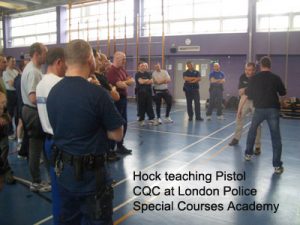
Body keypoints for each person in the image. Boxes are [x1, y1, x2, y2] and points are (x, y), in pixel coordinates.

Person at [47, 39, 124, 224]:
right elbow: (117, 134)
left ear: (66, 61)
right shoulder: (98, 94)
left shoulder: (54, 92)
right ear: (90, 59)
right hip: (92, 179)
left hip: (64, 174)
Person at [36, 47, 66, 225]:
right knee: (67, 189)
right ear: (59, 62)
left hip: (49, 140)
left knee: (56, 188)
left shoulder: (40, 84)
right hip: (61, 141)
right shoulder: (58, 84)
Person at [244, 56, 286, 174]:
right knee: (276, 137)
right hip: (273, 109)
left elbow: (249, 95)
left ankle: (248, 154)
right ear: (270, 65)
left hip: (259, 110)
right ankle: (277, 166)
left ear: (261, 65)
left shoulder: (254, 78)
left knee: (252, 131)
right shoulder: (276, 78)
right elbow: (283, 92)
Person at [21, 42, 51, 192]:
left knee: (38, 147)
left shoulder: (33, 69)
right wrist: (50, 99)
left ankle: (40, 179)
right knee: (35, 148)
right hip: (33, 112)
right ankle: (36, 182)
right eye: (45, 52)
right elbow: (33, 98)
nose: (47, 55)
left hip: (30, 111)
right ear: (37, 54)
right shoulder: (33, 71)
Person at [229, 62, 262, 155]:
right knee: (239, 118)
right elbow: (240, 93)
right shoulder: (242, 77)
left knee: (258, 123)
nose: (248, 72)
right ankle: (236, 138)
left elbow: (259, 91)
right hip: (245, 100)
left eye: (250, 70)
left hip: (256, 101)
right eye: (246, 70)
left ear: (254, 70)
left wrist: (246, 89)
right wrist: (249, 88)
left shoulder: (259, 77)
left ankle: (257, 146)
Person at [107, 51, 135, 155]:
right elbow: (121, 85)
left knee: (124, 123)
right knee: (115, 124)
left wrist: (125, 82)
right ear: (117, 59)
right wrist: (125, 82)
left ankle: (119, 146)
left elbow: (131, 81)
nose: (125, 61)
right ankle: (110, 148)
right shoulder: (112, 71)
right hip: (116, 101)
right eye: (123, 59)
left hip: (123, 100)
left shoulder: (122, 69)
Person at [135, 62, 158, 126]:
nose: (143, 67)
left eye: (144, 65)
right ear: (139, 67)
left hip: (148, 92)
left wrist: (145, 81)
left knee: (149, 106)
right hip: (140, 93)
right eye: (141, 65)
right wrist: (147, 80)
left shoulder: (148, 73)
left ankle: (151, 119)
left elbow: (151, 81)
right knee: (141, 106)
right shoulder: (137, 74)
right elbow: (141, 82)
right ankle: (141, 120)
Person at [3, 56, 19, 138]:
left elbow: (17, 82)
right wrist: (17, 79)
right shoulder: (5, 72)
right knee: (10, 114)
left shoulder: (16, 71)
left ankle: (17, 131)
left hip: (17, 93)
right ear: (8, 62)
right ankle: (10, 132)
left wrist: (16, 79)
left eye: (15, 61)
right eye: (12, 61)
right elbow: (11, 84)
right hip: (10, 94)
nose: (14, 63)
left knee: (18, 114)